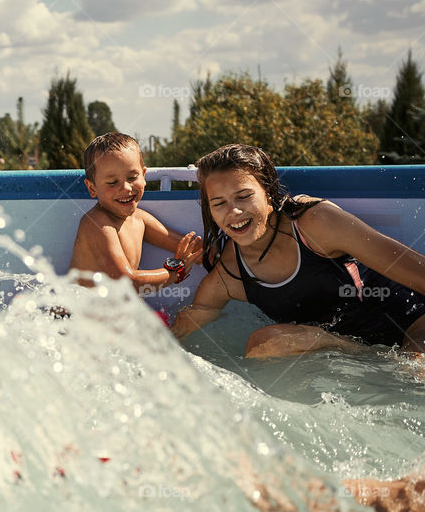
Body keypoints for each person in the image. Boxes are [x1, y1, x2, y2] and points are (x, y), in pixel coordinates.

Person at [171, 143, 425, 357]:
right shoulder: (230, 275)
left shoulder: (313, 223)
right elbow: (185, 326)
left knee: (413, 369)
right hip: (354, 350)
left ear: (268, 193)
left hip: (412, 322)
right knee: (265, 344)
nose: (233, 211)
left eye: (244, 196)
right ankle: (367, 356)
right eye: (219, 203)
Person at [67, 133, 202, 312]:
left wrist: (219, 255)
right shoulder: (97, 223)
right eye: (112, 182)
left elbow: (191, 248)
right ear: (92, 188)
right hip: (75, 319)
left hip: (112, 318)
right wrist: (173, 273)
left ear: (143, 176)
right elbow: (125, 283)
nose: (125, 188)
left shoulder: (140, 219)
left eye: (132, 178)